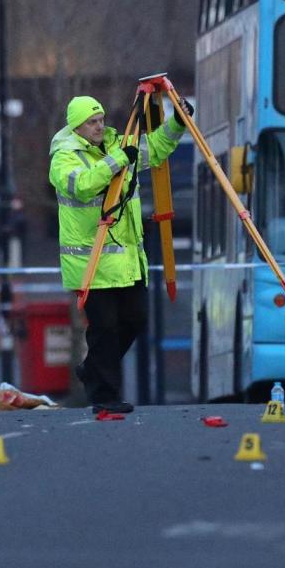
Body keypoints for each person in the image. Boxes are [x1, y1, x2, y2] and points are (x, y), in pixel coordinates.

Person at [49, 94, 192, 414]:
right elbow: (82, 185)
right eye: (92, 122)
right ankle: (105, 394)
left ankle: (92, 370)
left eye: (101, 120)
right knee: (105, 328)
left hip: (126, 260)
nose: (100, 126)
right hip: (91, 261)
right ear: (77, 127)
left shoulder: (118, 144)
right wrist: (118, 160)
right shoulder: (64, 157)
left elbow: (155, 148)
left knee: (135, 320)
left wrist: (177, 121)